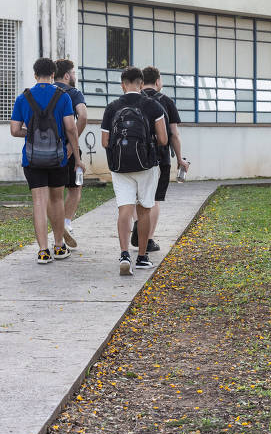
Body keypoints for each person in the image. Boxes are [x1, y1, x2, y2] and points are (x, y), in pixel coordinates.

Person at [10, 58, 85, 264]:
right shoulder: (63, 97)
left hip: (32, 159)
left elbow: (15, 130)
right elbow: (71, 128)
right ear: (53, 75)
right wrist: (76, 157)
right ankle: (59, 247)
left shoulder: (22, 98)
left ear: (35, 75)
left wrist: (31, 132)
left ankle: (43, 251)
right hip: (58, 158)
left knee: (39, 202)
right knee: (57, 200)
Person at [101, 66, 168, 275]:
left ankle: (123, 254)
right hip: (146, 166)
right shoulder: (153, 106)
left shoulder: (112, 107)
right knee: (145, 209)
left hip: (120, 167)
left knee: (124, 210)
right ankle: (142, 257)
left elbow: (104, 142)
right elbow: (164, 139)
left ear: (122, 84)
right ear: (141, 84)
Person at [130, 65, 189, 253]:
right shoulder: (166, 101)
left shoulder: (133, 100)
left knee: (136, 197)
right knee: (154, 199)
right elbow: (174, 134)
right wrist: (180, 159)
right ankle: (147, 239)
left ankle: (138, 222)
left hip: (134, 155)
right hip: (159, 157)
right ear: (157, 81)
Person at [53, 59, 88, 248]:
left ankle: (57, 233)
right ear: (67, 75)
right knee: (75, 188)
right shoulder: (73, 93)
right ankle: (66, 222)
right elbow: (82, 116)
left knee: (53, 194)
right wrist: (71, 146)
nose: (74, 76)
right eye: (73, 73)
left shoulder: (47, 91)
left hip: (45, 150)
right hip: (68, 148)